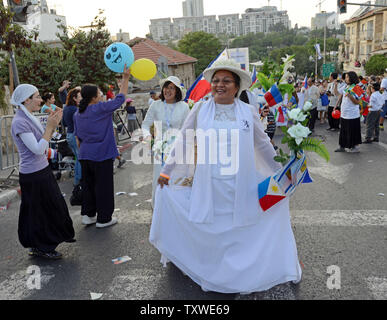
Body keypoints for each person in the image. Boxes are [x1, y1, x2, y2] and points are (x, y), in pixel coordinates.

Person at [149, 59, 302, 294]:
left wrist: (282, 171)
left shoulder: (247, 112)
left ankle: (242, 273)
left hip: (242, 184)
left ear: (237, 86)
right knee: (212, 229)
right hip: (209, 184)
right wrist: (166, 171)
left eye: (226, 81)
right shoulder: (200, 109)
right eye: (216, 80)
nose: (219, 85)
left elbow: (263, 145)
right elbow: (184, 140)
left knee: (241, 228)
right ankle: (213, 270)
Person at [10, 84, 75, 259]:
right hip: (33, 175)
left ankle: (42, 245)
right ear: (26, 100)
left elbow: (45, 142)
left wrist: (54, 126)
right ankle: (42, 247)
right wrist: (49, 127)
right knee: (40, 211)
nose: (40, 100)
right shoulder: (20, 122)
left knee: (47, 208)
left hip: (41, 171)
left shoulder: (29, 117)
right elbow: (37, 149)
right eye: (37, 96)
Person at [73, 66, 130, 228]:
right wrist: (125, 78)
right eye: (99, 93)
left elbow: (78, 138)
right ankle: (104, 218)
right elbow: (121, 97)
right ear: (93, 97)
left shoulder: (78, 113)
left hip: (85, 155)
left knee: (89, 186)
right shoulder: (100, 108)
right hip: (102, 154)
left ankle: (88, 215)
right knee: (103, 187)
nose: (101, 94)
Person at [141, 76, 190, 207]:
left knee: (177, 179)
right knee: (159, 178)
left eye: (171, 88)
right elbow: (145, 125)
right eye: (166, 87)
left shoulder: (184, 107)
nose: (167, 91)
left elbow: (188, 129)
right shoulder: (156, 105)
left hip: (178, 149)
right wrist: (147, 136)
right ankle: (159, 209)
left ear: (177, 91)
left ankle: (178, 209)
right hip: (160, 148)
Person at [334, 71, 362, 153]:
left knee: (353, 130)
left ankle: (355, 147)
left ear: (351, 78)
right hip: (344, 113)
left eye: (347, 77)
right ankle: (342, 146)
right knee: (343, 130)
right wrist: (335, 86)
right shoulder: (346, 86)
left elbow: (357, 102)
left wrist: (350, 96)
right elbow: (337, 93)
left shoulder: (357, 88)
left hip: (352, 114)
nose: (345, 79)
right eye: (345, 77)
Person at [62, 88, 82, 186]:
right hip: (75, 135)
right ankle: (78, 181)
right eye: (80, 96)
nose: (81, 98)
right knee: (80, 158)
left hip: (69, 134)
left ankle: (78, 180)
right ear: (74, 98)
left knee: (78, 157)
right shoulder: (75, 109)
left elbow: (64, 123)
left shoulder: (66, 108)